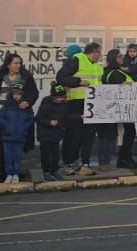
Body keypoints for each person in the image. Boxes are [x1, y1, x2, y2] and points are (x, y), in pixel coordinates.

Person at [0, 52, 40, 179]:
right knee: (1, 143)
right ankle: (4, 171)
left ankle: (16, 171)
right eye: (15, 63)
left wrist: (27, 102)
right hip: (1, 114)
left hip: (19, 116)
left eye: (20, 63)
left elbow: (34, 93)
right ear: (8, 65)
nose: (18, 65)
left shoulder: (25, 77)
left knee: (18, 144)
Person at [55, 42, 104, 176]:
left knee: (88, 136)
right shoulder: (77, 60)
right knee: (73, 135)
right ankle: (68, 163)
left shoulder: (98, 67)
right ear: (93, 52)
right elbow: (61, 77)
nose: (99, 56)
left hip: (92, 104)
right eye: (99, 53)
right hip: (76, 103)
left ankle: (85, 164)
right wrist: (78, 82)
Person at [0, 87, 35, 183]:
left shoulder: (26, 108)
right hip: (7, 136)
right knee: (8, 156)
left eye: (19, 94)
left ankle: (16, 174)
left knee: (17, 156)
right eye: (15, 94)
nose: (17, 96)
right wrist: (6, 126)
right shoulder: (6, 107)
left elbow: (30, 119)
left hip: (19, 137)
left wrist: (23, 128)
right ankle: (9, 174)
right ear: (11, 95)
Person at [35, 85, 69, 182]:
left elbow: (66, 117)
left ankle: (55, 170)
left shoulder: (64, 104)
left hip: (56, 133)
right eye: (59, 97)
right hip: (45, 133)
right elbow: (38, 118)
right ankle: (46, 172)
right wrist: (49, 122)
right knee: (46, 154)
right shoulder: (46, 102)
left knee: (55, 154)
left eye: (62, 97)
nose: (61, 99)